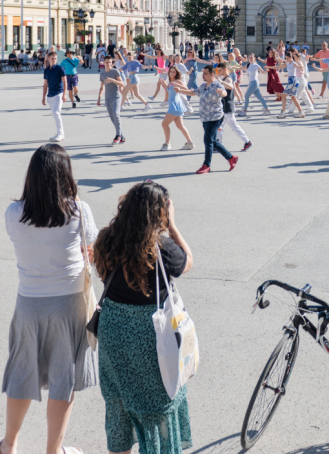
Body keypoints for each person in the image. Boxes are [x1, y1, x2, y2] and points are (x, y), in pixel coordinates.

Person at [0, 144, 97, 454]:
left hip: (29, 302)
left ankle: (9, 445)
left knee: (23, 373)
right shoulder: (78, 211)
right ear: (64, 176)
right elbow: (89, 246)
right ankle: (54, 451)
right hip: (69, 303)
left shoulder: (14, 213)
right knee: (62, 380)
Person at [93, 181, 194, 454]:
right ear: (159, 213)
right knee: (156, 407)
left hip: (113, 329)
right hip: (150, 335)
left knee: (119, 405)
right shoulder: (159, 248)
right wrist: (172, 225)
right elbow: (188, 261)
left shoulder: (106, 239)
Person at [189, 65, 239, 174]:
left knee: (208, 140)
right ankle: (231, 158)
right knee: (213, 141)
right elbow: (193, 92)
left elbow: (224, 92)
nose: (203, 75)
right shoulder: (203, 86)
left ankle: (206, 165)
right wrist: (180, 90)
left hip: (215, 117)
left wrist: (222, 93)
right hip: (205, 117)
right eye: (203, 73)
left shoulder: (217, 84)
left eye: (205, 73)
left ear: (212, 74)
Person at [160, 66, 194, 151]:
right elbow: (169, 92)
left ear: (176, 73)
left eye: (173, 72)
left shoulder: (177, 81)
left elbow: (186, 89)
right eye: (170, 72)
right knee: (180, 126)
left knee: (164, 124)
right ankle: (190, 143)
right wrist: (164, 84)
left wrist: (177, 84)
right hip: (175, 105)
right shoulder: (170, 81)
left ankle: (167, 143)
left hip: (175, 106)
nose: (172, 73)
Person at [96, 56, 126, 146]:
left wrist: (113, 80)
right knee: (113, 118)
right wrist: (99, 98)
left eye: (109, 62)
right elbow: (102, 87)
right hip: (107, 98)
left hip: (116, 97)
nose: (108, 64)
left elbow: (122, 83)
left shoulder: (115, 71)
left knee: (116, 114)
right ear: (103, 63)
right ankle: (122, 136)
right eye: (107, 62)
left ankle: (117, 135)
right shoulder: (102, 74)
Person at [41, 51, 67, 143]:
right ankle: (60, 133)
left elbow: (64, 81)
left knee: (56, 113)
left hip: (58, 93)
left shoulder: (60, 68)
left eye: (55, 58)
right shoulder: (46, 70)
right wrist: (43, 97)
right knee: (55, 114)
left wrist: (64, 94)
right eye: (52, 58)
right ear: (48, 59)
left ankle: (60, 134)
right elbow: (45, 84)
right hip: (50, 95)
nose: (54, 60)